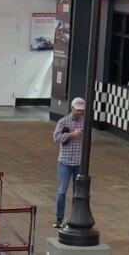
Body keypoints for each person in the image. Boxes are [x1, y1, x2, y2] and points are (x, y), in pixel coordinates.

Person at [53, 96, 87, 227]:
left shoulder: (85, 122)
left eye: (82, 111)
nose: (80, 113)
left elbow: (91, 139)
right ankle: (59, 218)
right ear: (72, 108)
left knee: (77, 192)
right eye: (78, 110)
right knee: (62, 191)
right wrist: (71, 135)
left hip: (78, 163)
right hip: (65, 162)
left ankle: (74, 218)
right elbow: (56, 137)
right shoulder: (63, 121)